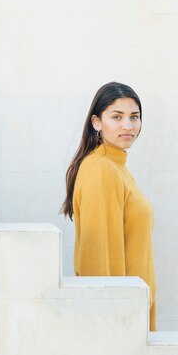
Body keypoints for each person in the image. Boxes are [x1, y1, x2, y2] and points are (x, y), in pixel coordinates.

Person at [59, 81, 157, 332]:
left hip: (131, 312)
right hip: (118, 322)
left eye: (134, 117)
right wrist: (114, 323)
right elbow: (99, 258)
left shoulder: (116, 167)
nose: (128, 125)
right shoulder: (101, 169)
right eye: (117, 117)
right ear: (96, 122)